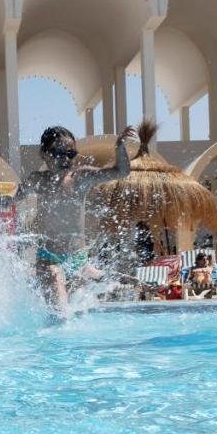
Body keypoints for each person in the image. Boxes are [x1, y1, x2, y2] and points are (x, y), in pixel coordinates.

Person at [16, 124, 136, 317]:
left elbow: (120, 172)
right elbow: (15, 199)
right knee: (61, 312)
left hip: (78, 259)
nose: (65, 159)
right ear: (44, 153)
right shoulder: (37, 180)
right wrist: (6, 202)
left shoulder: (80, 177)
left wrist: (120, 147)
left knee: (74, 312)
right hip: (49, 258)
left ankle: (92, 273)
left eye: (70, 154)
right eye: (58, 152)